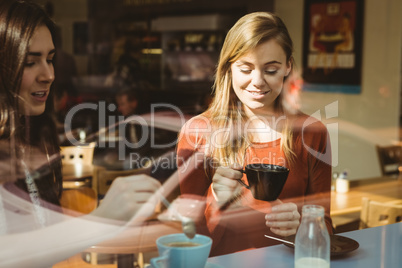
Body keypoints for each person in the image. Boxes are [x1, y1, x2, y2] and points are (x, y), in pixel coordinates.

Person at [0, 1, 160, 266]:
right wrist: (99, 220)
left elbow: (42, 245)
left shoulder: (27, 141)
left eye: (50, 59)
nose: (49, 74)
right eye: (30, 62)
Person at [176, 12, 333, 256]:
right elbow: (187, 242)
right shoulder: (198, 133)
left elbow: (326, 231)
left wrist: (300, 229)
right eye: (246, 68)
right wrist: (216, 200)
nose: (257, 81)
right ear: (229, 68)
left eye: (271, 70)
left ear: (288, 66)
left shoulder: (312, 133)